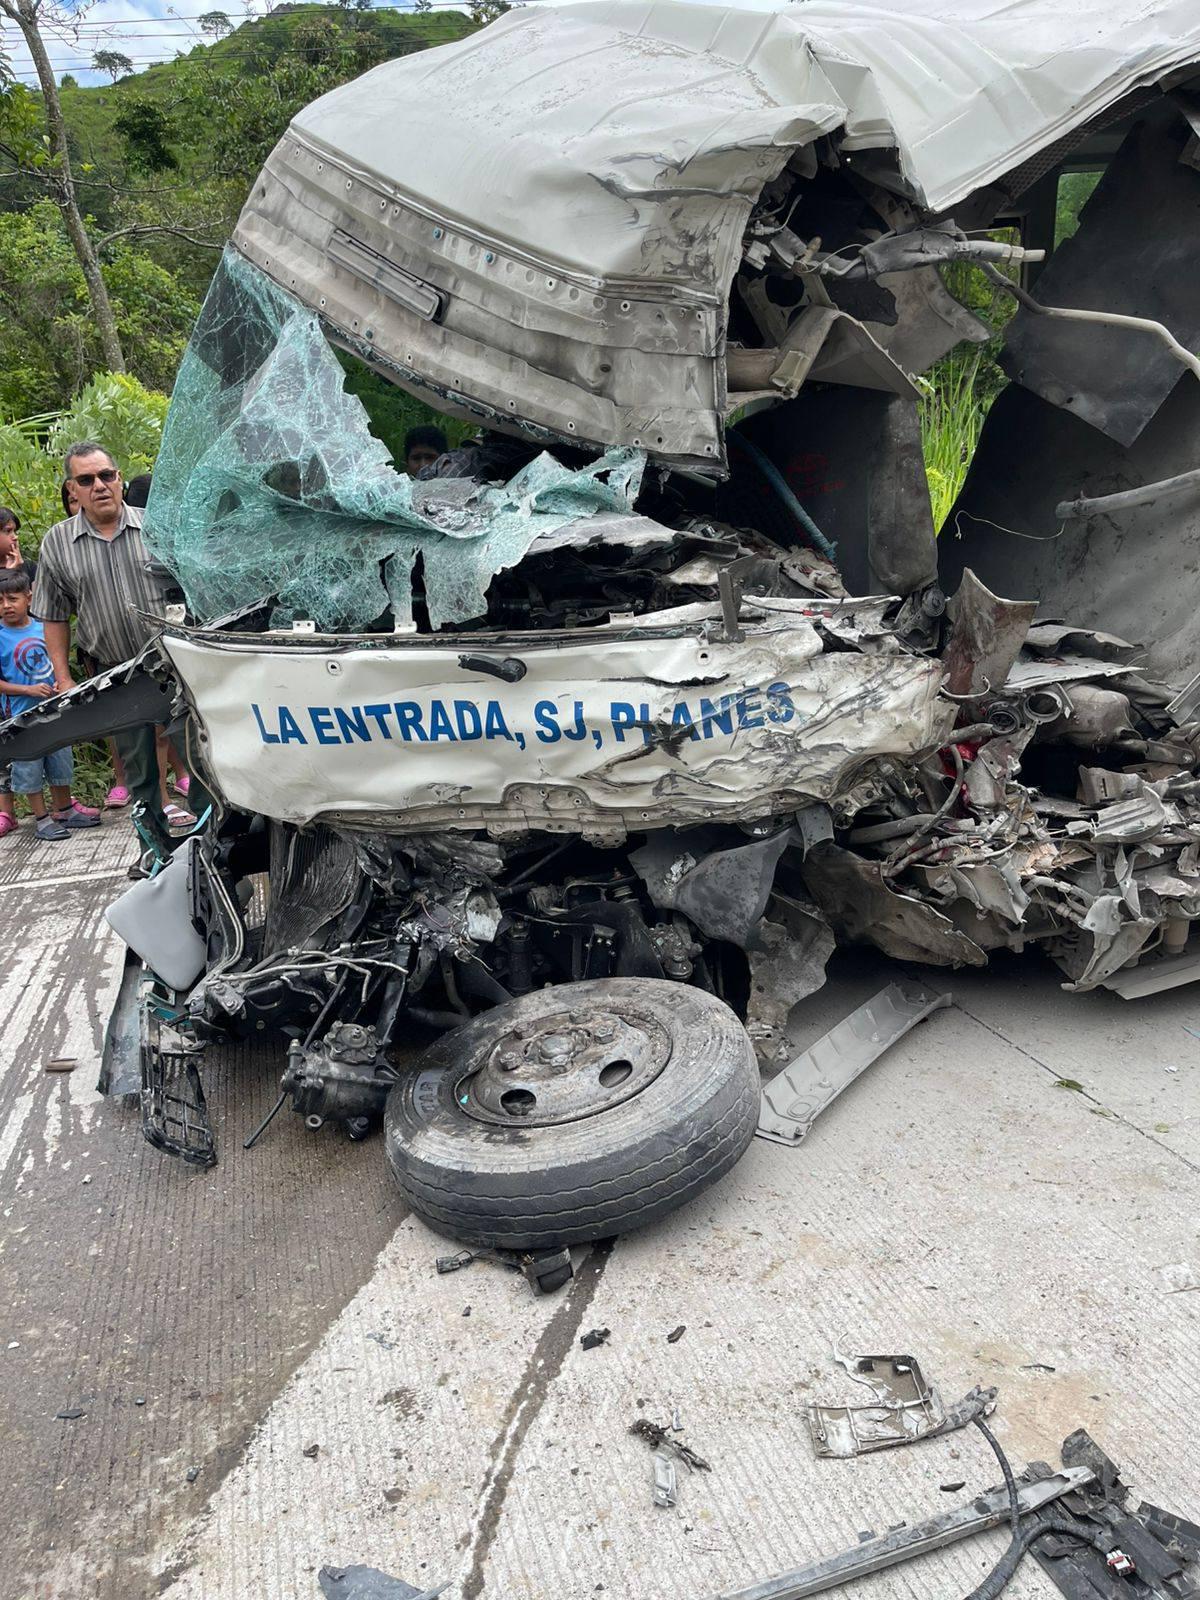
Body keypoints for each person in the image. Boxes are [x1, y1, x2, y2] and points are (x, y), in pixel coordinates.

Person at [33, 442, 183, 857]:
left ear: (119, 479)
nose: (99, 485)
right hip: (118, 676)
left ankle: (207, 851)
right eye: (86, 479)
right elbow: (54, 615)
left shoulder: (159, 527)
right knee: (140, 774)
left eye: (107, 475)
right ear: (72, 490)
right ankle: (154, 852)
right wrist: (63, 677)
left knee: (202, 763)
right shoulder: (58, 544)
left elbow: (195, 590)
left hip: (177, 668)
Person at [0, 569, 100, 841]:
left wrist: (60, 681)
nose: (6, 605)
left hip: (54, 710)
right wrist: (27, 689)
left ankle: (65, 809)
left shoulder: (44, 627)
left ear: (29, 598)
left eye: (12, 598)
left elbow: (56, 662)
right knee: (29, 763)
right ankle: (41, 818)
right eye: (0, 601)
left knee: (60, 760)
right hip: (22, 714)